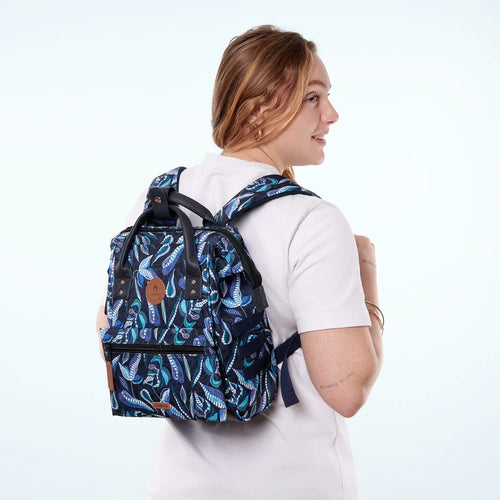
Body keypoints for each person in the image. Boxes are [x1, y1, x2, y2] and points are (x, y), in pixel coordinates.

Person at [96, 24, 383, 499]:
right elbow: (347, 389)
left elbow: (115, 334)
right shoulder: (310, 219)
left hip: (176, 486)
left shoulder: (161, 204)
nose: (331, 114)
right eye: (313, 98)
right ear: (260, 108)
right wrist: (366, 278)